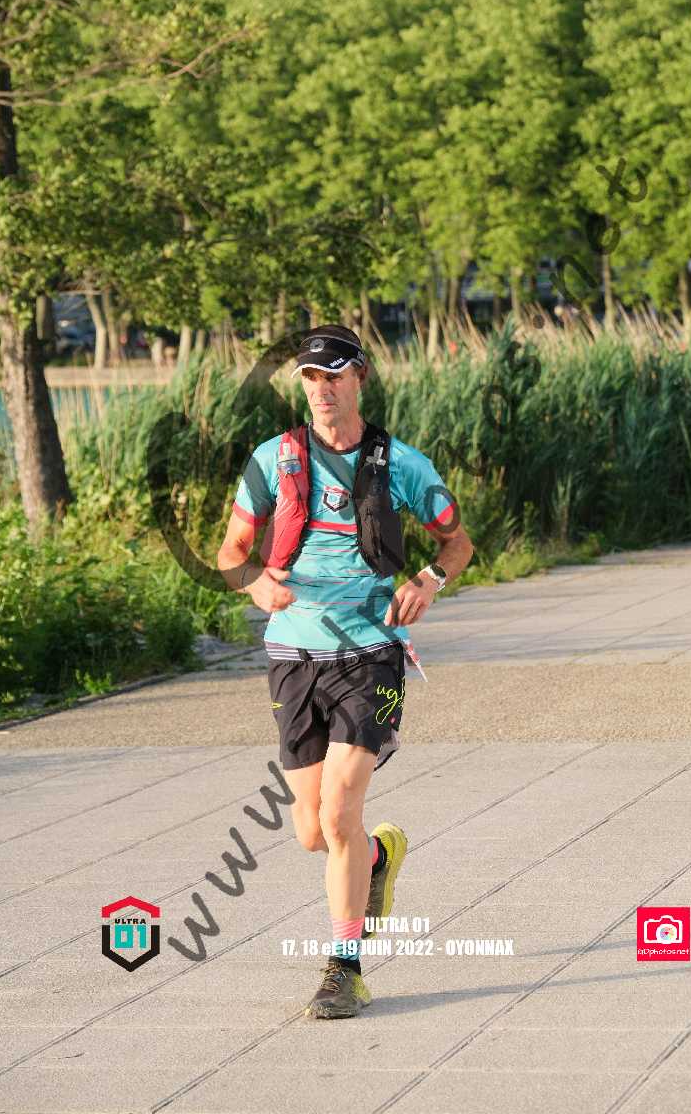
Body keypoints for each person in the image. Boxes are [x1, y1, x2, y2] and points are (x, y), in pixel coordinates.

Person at [217, 324, 473, 1019]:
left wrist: (427, 579)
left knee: (338, 813)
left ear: (360, 376)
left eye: (334, 375)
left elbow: (457, 542)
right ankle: (377, 860)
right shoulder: (271, 460)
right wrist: (253, 583)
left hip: (371, 653)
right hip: (294, 655)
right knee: (312, 832)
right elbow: (232, 552)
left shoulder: (402, 464)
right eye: (310, 377)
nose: (322, 389)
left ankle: (345, 970)